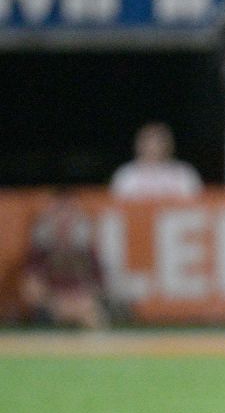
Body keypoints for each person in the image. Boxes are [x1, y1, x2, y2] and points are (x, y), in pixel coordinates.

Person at [20, 189, 109, 330]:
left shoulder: (84, 247)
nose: (64, 218)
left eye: (69, 212)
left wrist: (82, 296)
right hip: (52, 302)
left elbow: (99, 281)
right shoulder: (43, 246)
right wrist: (52, 300)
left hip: (81, 300)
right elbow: (31, 286)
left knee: (92, 314)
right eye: (60, 212)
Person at [109, 122, 203, 200]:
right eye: (149, 139)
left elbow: (197, 205)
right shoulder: (126, 174)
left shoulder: (184, 172)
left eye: (160, 140)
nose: (154, 145)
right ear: (138, 144)